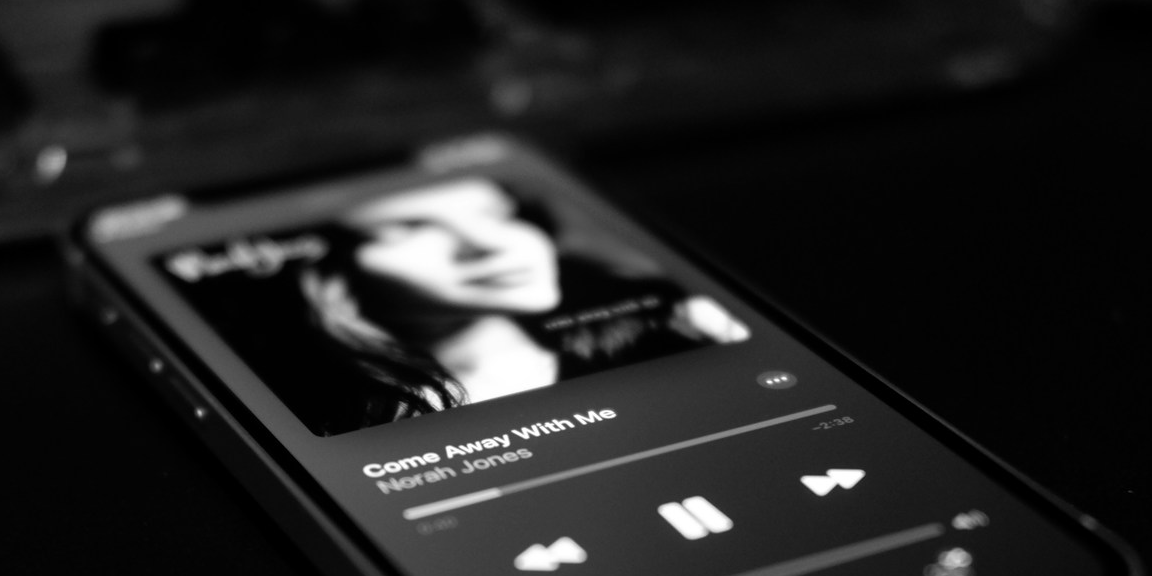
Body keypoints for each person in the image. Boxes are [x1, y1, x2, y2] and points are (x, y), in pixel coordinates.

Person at [207, 177, 750, 434]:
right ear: (328, 270)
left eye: (498, 214)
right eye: (411, 228)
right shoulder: (330, 417)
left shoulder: (679, 330)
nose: (491, 245)